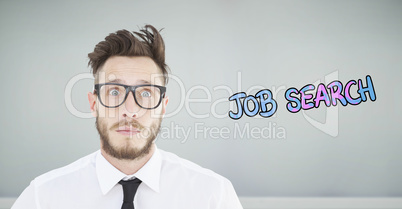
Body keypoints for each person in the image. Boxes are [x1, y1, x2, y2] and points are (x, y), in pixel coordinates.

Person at [11, 25, 243, 209]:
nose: (129, 109)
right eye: (114, 91)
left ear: (163, 106)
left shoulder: (213, 196)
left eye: (145, 93)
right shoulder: (42, 198)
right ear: (93, 104)